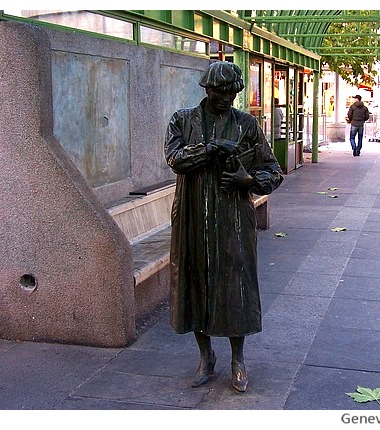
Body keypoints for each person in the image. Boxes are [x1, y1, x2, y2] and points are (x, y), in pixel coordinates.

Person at [164, 61, 284, 393]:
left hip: (233, 218)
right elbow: (175, 160)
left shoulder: (247, 124)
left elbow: (273, 171)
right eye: (221, 94)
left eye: (232, 94)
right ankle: (206, 358)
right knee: (194, 283)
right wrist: (212, 147)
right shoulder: (182, 120)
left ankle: (238, 359)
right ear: (208, 90)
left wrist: (250, 179)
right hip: (192, 217)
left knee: (236, 287)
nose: (227, 100)